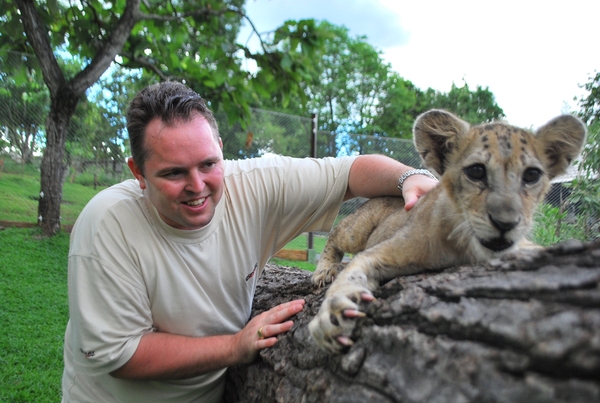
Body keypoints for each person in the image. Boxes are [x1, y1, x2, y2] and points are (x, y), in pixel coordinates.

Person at [61, 81, 438, 402]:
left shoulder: (256, 183)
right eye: (174, 172)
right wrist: (235, 346)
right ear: (138, 172)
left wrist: (410, 177)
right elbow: (120, 354)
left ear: (222, 148)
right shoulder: (107, 224)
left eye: (209, 164)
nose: (197, 186)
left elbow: (350, 172)